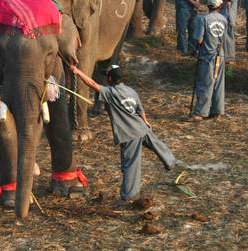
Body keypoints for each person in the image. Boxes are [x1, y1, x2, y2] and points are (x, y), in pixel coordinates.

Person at [71, 64, 176, 204]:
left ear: (109, 78)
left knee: (131, 164)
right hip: (142, 128)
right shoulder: (131, 91)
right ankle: (170, 161)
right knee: (157, 145)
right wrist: (146, 121)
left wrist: (77, 71)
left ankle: (129, 196)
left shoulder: (111, 92)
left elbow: (92, 83)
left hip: (129, 134)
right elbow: (140, 109)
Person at [189, 0, 227, 121]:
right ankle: (217, 112)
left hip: (207, 56)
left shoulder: (203, 19)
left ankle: (200, 113)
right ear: (219, 6)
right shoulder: (223, 19)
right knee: (218, 84)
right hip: (220, 56)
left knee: (205, 84)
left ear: (208, 5)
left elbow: (199, 39)